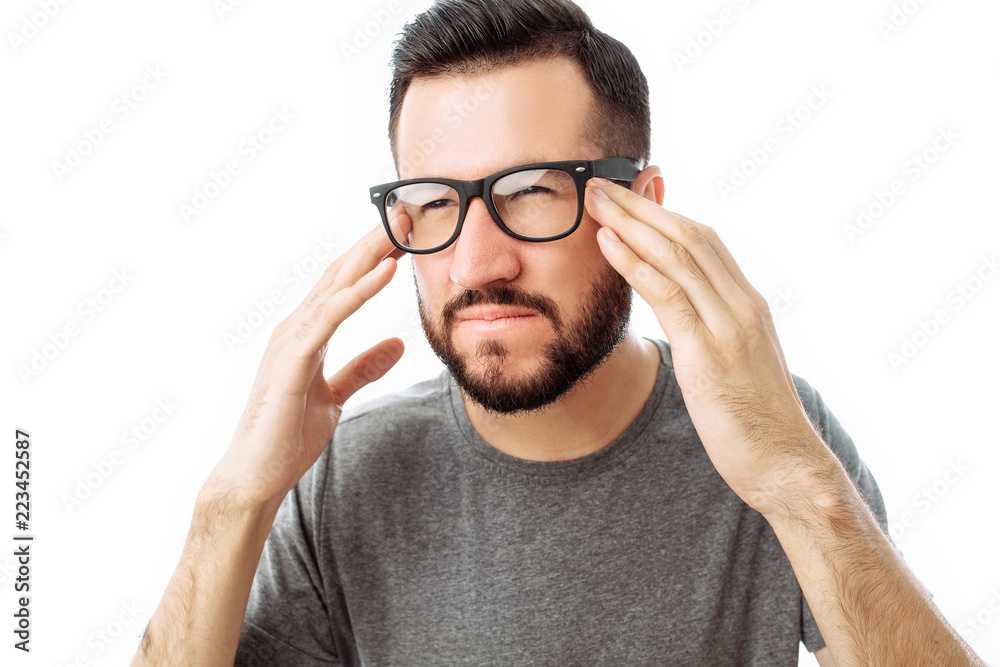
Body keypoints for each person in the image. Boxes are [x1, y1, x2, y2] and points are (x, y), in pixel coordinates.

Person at [132, 1, 986, 665]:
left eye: (533, 191)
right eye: (431, 202)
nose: (475, 262)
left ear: (642, 212)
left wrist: (800, 485)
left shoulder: (775, 434)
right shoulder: (347, 475)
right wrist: (233, 499)